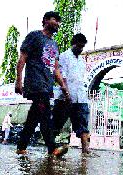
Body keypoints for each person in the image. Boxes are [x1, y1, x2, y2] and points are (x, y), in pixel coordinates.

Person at [15, 11, 70, 156]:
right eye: (55, 20)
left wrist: (63, 86)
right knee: (45, 114)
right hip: (35, 82)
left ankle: (21, 147)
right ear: (45, 20)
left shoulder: (54, 44)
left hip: (47, 84)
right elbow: (22, 59)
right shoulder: (34, 36)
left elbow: (56, 68)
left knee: (34, 116)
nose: (58, 23)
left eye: (59, 21)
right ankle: (52, 148)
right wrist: (18, 80)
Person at [52, 33, 91, 154]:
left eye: (82, 47)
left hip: (80, 98)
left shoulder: (81, 61)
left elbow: (80, 80)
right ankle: (51, 148)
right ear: (73, 44)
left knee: (83, 124)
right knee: (56, 125)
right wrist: (67, 94)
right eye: (79, 46)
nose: (80, 49)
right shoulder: (63, 56)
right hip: (65, 97)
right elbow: (61, 77)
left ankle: (86, 150)